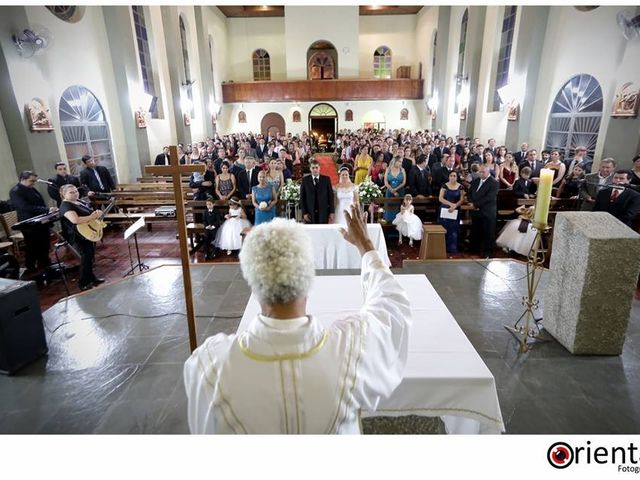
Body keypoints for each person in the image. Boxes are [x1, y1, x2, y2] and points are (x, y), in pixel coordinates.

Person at [183, 207, 412, 434]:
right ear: (308, 278)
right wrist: (366, 246)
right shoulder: (352, 349)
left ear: (253, 283)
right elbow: (391, 306)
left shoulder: (209, 366)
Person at [58, 184, 105, 291]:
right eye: (71, 192)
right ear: (63, 194)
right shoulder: (66, 206)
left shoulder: (79, 202)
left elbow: (88, 213)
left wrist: (97, 213)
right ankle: (83, 283)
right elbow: (75, 220)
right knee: (86, 258)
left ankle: (92, 278)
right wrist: (92, 216)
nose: (75, 193)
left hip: (87, 233)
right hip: (76, 236)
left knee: (90, 256)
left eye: (76, 191)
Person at [9, 171, 57, 273]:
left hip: (40, 221)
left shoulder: (31, 188)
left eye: (34, 181)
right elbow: (24, 207)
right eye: (32, 181)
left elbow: (40, 201)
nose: (33, 183)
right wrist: (46, 210)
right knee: (32, 246)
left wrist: (47, 211)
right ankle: (30, 266)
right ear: (23, 179)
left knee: (45, 243)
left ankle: (44, 262)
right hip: (28, 223)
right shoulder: (15, 191)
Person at [469, 164, 499, 258]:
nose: (481, 174)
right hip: (476, 211)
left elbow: (489, 197)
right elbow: (470, 192)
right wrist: (471, 201)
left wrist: (475, 204)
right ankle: (474, 250)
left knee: (488, 233)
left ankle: (487, 252)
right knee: (475, 230)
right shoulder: (476, 181)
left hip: (487, 211)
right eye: (480, 172)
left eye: (483, 172)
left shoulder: (494, 183)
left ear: (488, 172)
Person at [438, 170, 465, 254]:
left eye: (454, 176)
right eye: (451, 175)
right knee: (444, 228)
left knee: (453, 230)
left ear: (457, 177)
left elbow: (462, 199)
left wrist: (455, 205)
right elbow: (440, 198)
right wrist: (451, 204)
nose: (452, 177)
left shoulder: (461, 187)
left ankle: (452, 248)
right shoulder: (444, 186)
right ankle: (442, 248)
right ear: (448, 176)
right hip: (445, 209)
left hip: (455, 210)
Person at [300, 159, 335, 224]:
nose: (315, 169)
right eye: (313, 168)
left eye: (316, 167)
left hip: (323, 212)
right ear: (310, 169)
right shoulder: (305, 180)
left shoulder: (326, 179)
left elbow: (330, 196)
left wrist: (331, 212)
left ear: (319, 168)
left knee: (323, 232)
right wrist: (304, 213)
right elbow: (302, 198)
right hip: (309, 213)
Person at [383, 157, 406, 223]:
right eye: (399, 162)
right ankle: (389, 222)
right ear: (395, 161)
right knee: (389, 207)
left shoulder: (402, 170)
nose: (401, 163)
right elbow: (386, 182)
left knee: (399, 207)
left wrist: (395, 189)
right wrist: (392, 190)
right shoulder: (388, 169)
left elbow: (403, 182)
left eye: (401, 162)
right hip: (389, 191)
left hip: (400, 191)